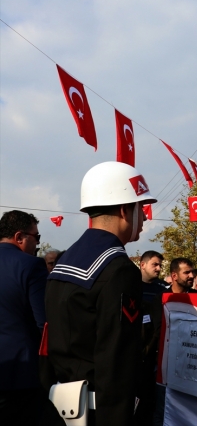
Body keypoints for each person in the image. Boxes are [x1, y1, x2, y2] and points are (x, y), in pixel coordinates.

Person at [44, 161, 157, 426]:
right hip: (99, 411)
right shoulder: (118, 269)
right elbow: (116, 358)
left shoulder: (65, 258)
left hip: (61, 405)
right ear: (124, 210)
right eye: (141, 209)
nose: (145, 218)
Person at [0, 210, 48, 426]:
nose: (37, 244)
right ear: (19, 237)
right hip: (20, 374)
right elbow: (44, 323)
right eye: (36, 237)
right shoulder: (31, 265)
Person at [137, 250, 167, 426]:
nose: (158, 268)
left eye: (160, 265)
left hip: (154, 353)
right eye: (155, 264)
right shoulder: (131, 287)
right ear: (142, 265)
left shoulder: (161, 290)